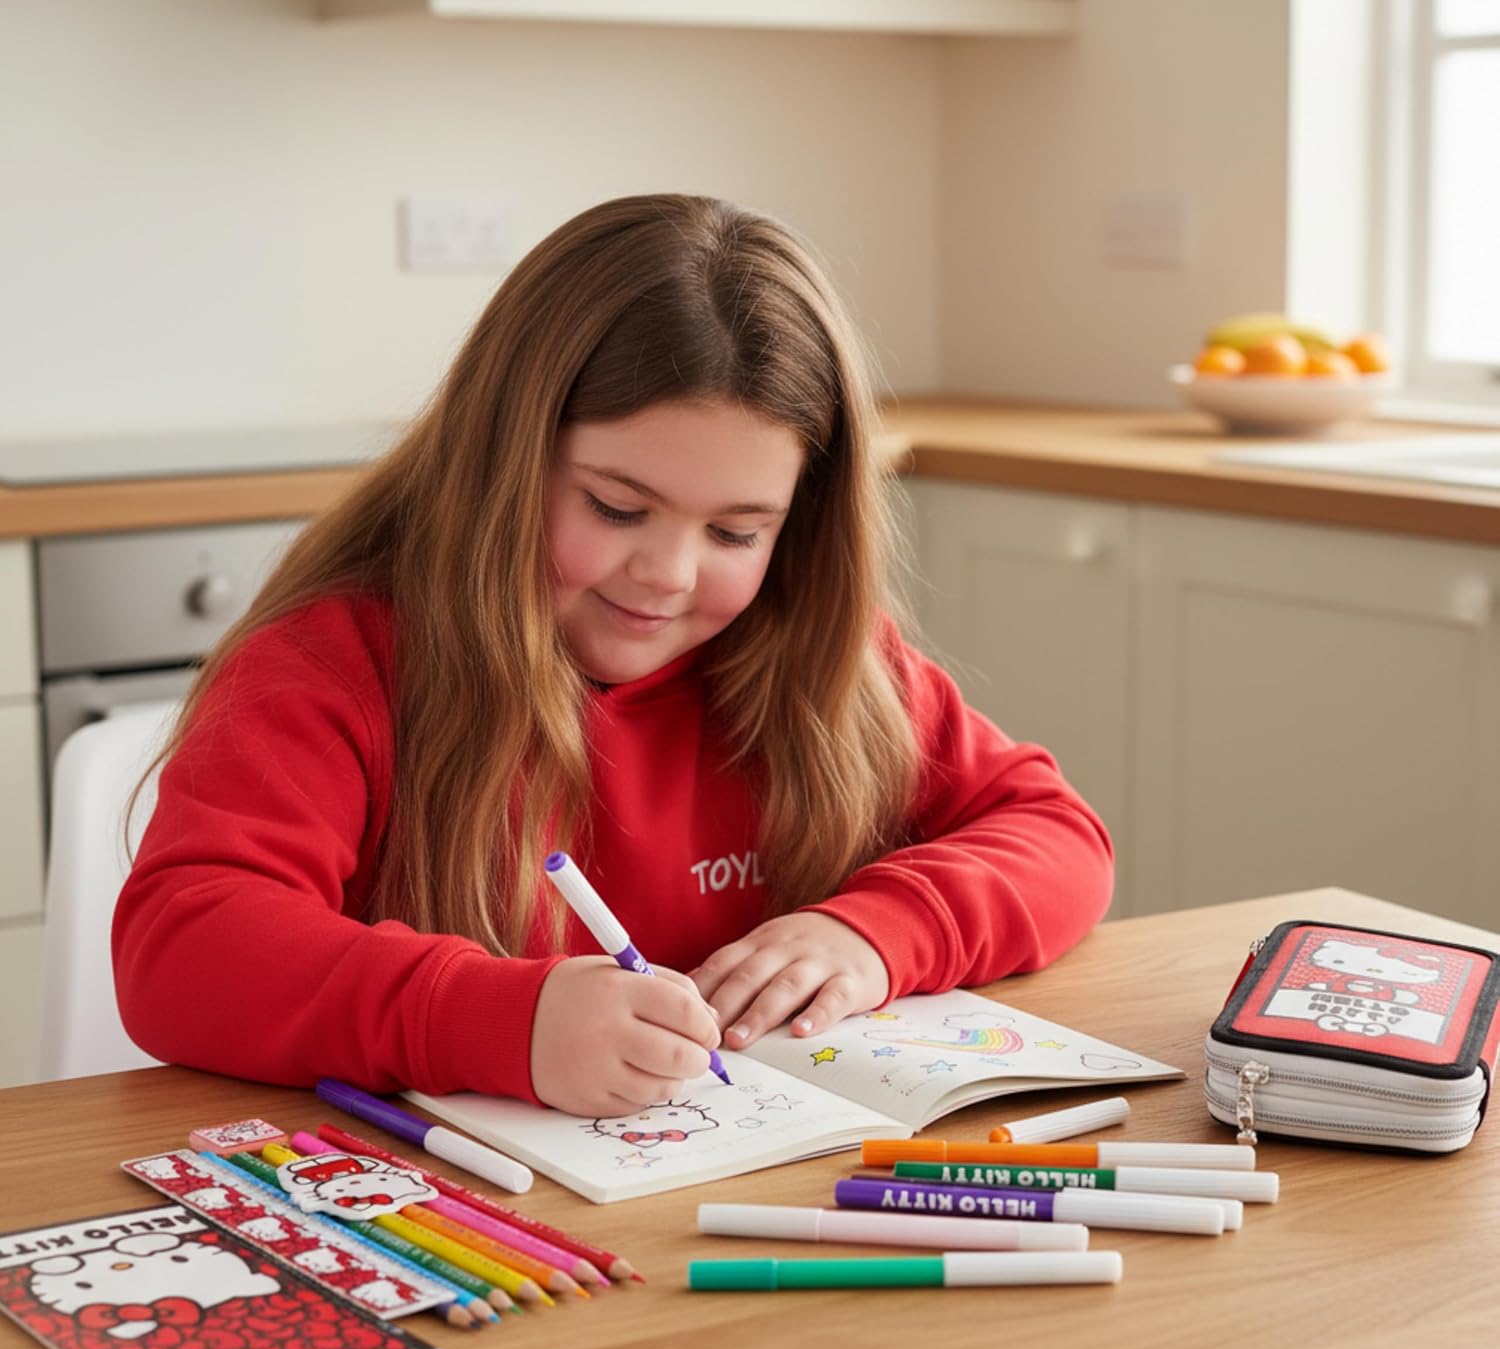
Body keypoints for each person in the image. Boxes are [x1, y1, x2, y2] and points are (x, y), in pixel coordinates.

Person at [114, 193, 1113, 1119]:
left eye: (736, 533)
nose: (669, 574)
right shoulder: (338, 664)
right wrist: (495, 1018)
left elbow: (1057, 838)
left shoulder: (816, 658)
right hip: (467, 1227)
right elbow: (184, 948)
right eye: (618, 507)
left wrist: (876, 932)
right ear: (504, 460)